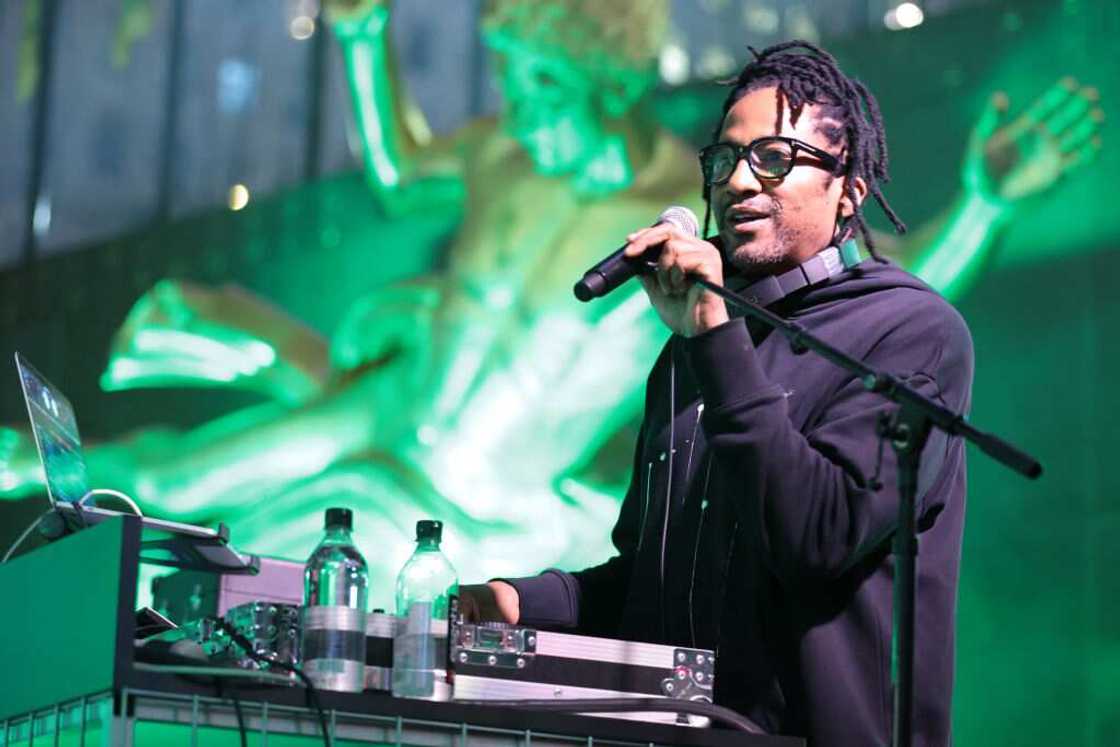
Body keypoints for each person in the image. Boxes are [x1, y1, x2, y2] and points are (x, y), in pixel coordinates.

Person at [0, 1, 1100, 609]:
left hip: (489, 500)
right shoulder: (506, 158)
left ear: (607, 83)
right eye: (511, 81)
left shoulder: (683, 215)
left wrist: (983, 207)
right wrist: (362, 38)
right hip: (383, 427)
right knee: (158, 476)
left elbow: (869, 287)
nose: (518, 106)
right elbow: (395, 173)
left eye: (539, 86)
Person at [462, 41, 973, 746]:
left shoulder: (910, 331)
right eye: (724, 160)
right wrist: (524, 599)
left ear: (849, 189)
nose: (736, 181)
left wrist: (712, 335)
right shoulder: (693, 350)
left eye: (771, 158)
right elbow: (653, 583)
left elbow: (816, 535)